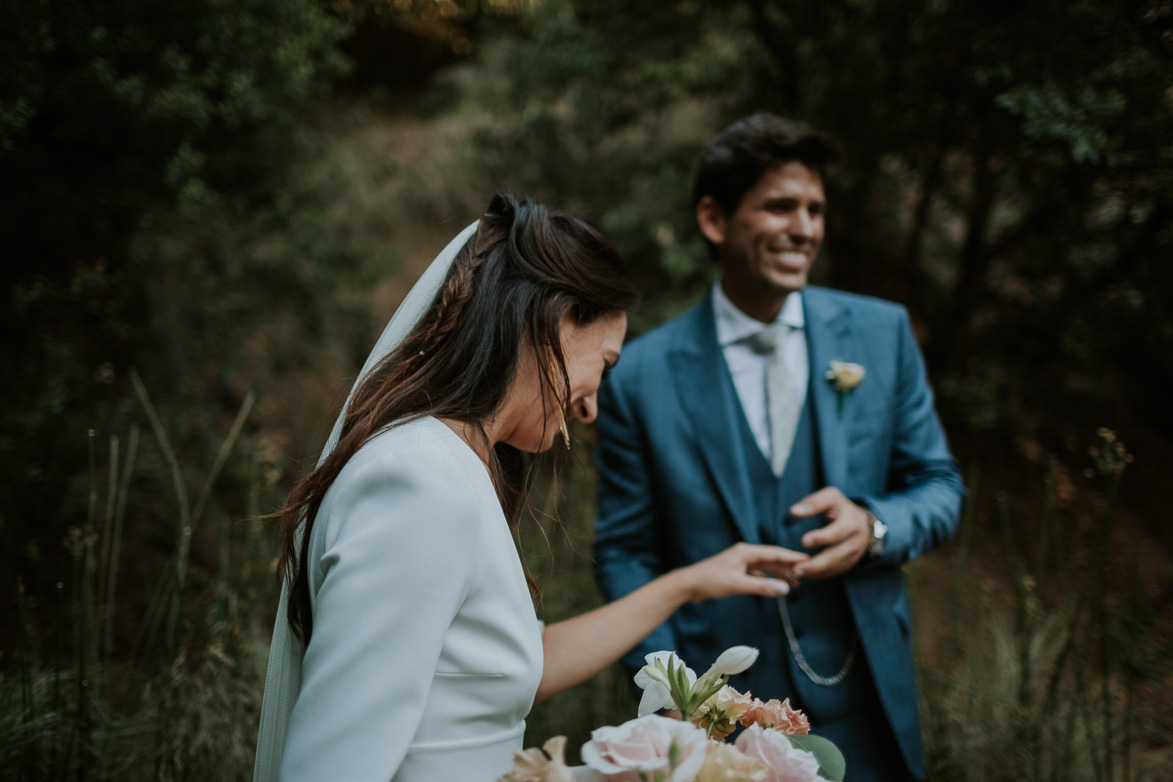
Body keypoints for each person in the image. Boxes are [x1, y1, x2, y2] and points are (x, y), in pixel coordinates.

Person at [252, 193, 809, 782]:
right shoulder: (419, 480)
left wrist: (688, 584)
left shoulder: (453, 466)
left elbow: (504, 668)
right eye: (608, 363)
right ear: (560, 319)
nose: (593, 407)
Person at [592, 115, 966, 781]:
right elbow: (625, 551)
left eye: (815, 209)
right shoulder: (640, 377)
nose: (806, 228)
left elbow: (939, 487)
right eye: (780, 206)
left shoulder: (880, 336)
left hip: (864, 705)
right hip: (717, 725)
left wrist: (874, 526)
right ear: (714, 219)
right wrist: (677, 697)